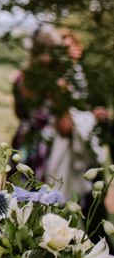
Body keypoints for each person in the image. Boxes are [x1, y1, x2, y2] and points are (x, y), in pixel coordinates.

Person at [11, 24, 108, 222]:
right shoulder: (58, 83)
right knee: (50, 205)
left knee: (22, 206)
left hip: (24, 147)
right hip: (48, 151)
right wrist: (90, 117)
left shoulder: (22, 78)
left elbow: (19, 113)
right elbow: (65, 127)